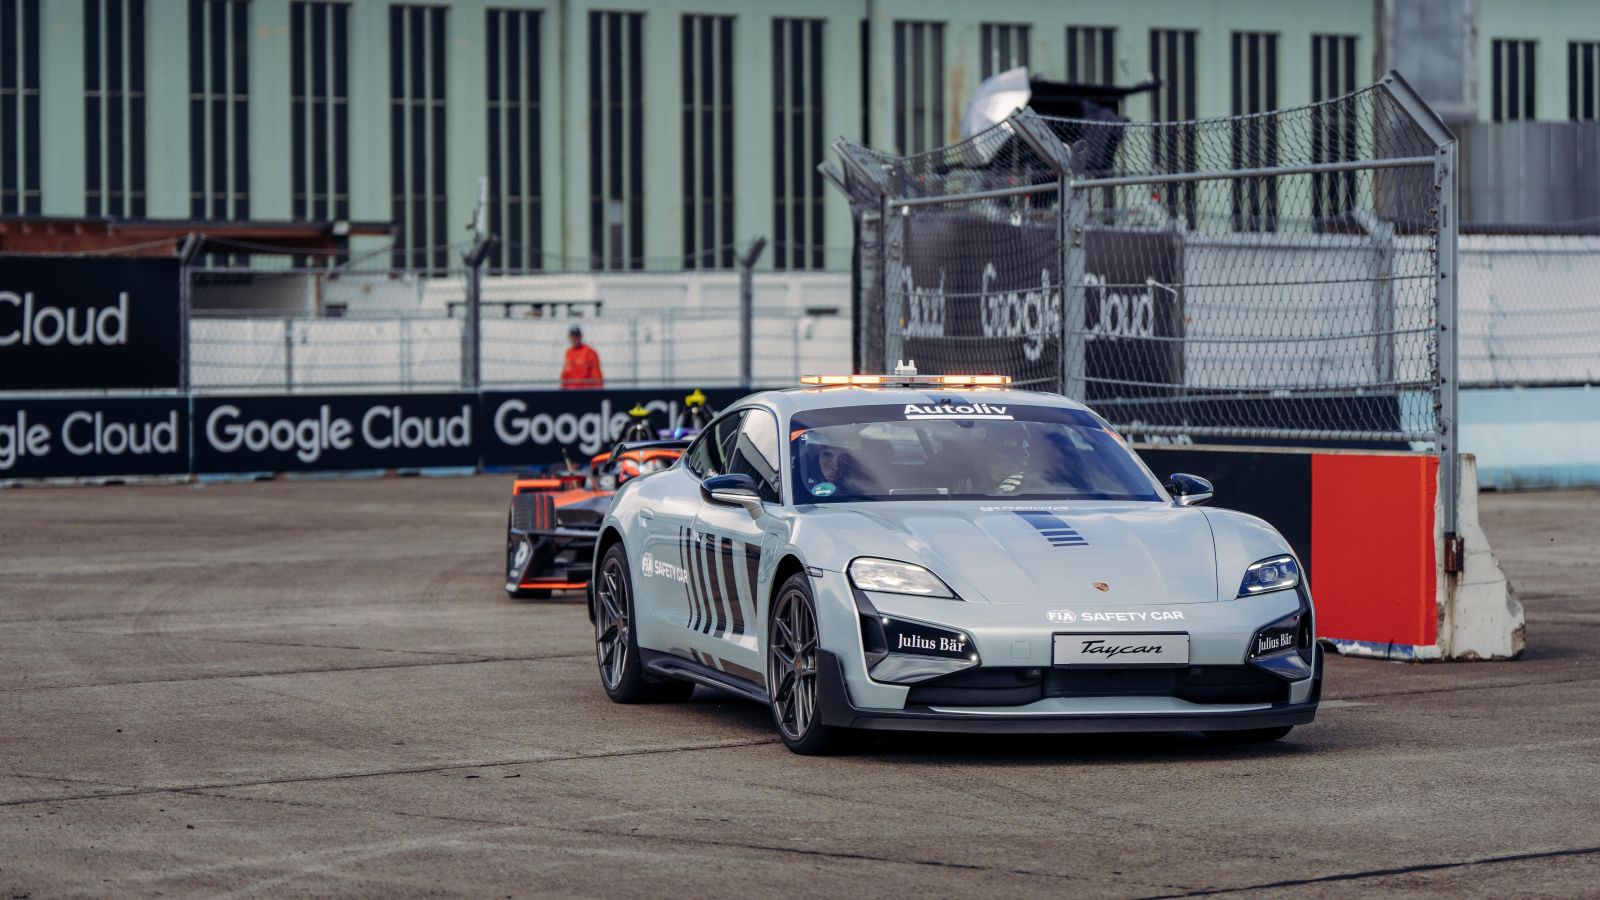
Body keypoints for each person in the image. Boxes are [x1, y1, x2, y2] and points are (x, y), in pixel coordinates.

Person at [560, 324, 604, 389]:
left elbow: (596, 376)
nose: (575, 338)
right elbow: (565, 375)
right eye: (573, 336)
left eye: (577, 335)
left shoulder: (589, 352)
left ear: (581, 336)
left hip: (584, 391)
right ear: (569, 337)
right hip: (570, 391)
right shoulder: (569, 352)